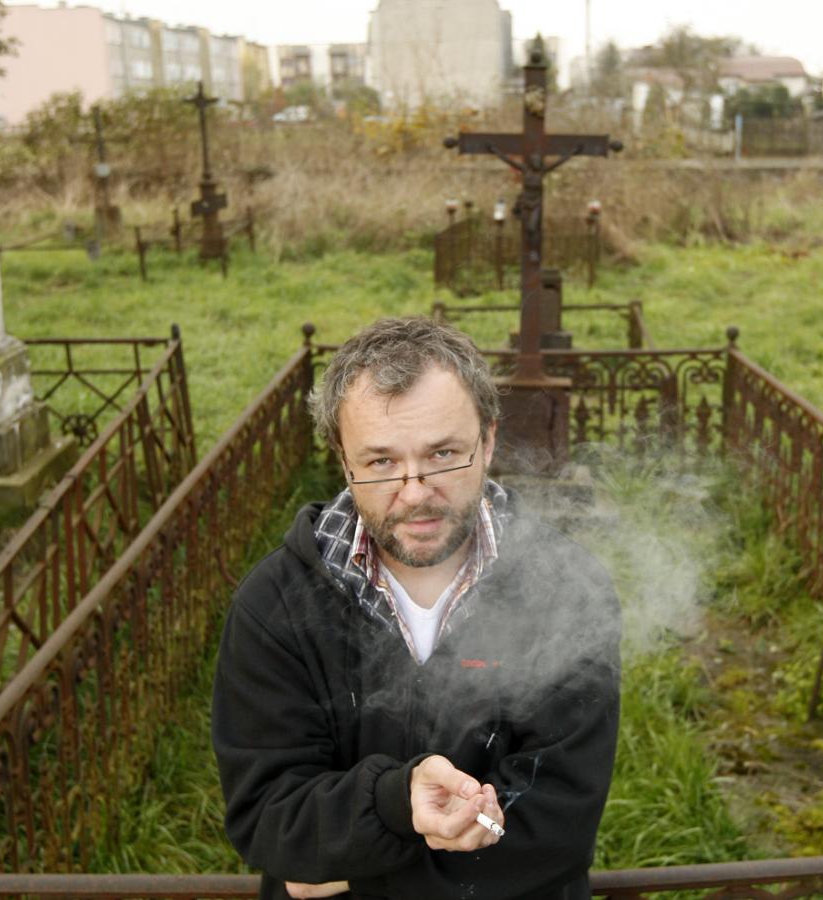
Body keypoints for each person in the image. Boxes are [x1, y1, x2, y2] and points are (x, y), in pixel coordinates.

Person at [212, 317, 621, 900]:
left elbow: (557, 832)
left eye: (444, 454)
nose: (415, 491)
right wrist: (397, 802)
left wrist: (350, 874)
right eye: (381, 462)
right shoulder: (273, 606)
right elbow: (270, 822)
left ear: (488, 442)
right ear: (344, 460)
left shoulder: (569, 591)